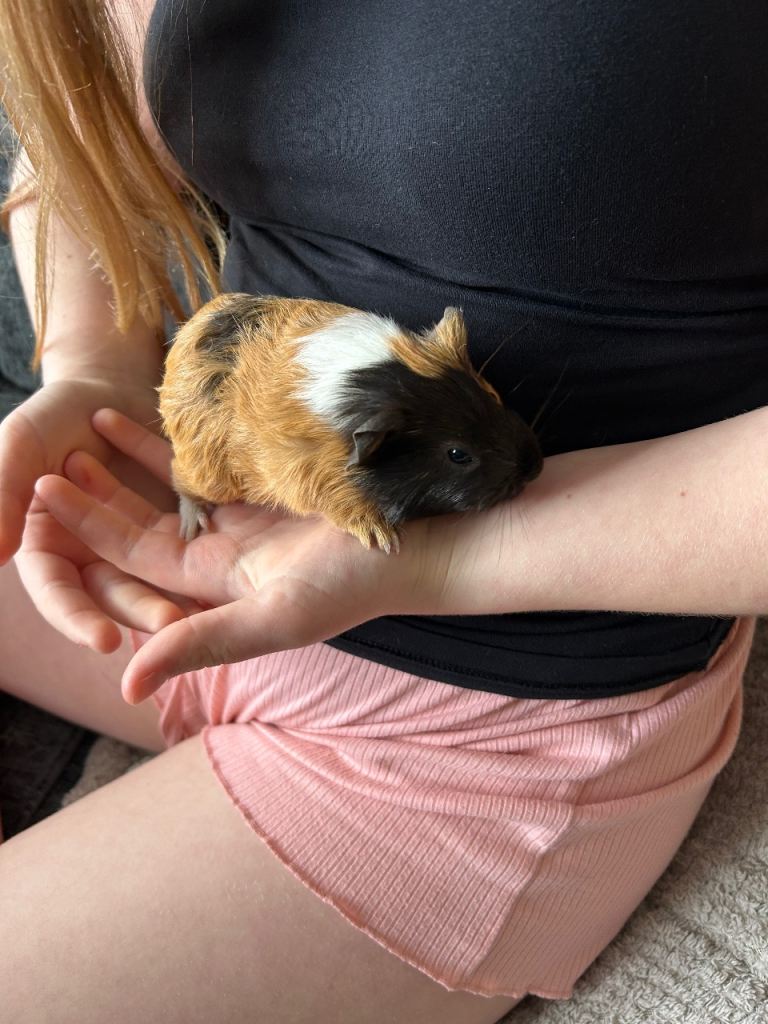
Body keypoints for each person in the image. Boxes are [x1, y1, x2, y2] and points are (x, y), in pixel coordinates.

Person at [0, 1, 764, 1020]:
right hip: (182, 531)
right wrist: (95, 367)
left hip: (486, 728)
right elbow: (80, 121)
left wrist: (443, 559)